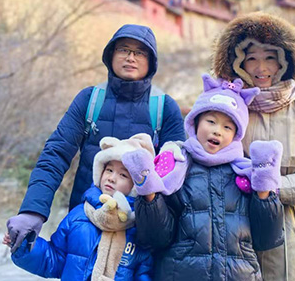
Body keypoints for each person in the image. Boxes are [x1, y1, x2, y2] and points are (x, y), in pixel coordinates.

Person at [6, 24, 185, 253]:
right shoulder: (89, 100)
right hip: (85, 224)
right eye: (123, 49)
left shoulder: (164, 107)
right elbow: (55, 154)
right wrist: (32, 211)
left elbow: (176, 176)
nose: (131, 57)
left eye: (140, 52)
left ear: (151, 62)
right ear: (111, 55)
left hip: (140, 236)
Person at [212, 11, 295, 281]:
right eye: (251, 59)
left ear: (286, 61)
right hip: (234, 240)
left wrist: (274, 186)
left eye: (270, 57)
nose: (261, 68)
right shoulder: (224, 107)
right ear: (238, 64)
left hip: (292, 245)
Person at [121, 74, 285, 281]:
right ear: (195, 123)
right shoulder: (177, 168)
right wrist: (149, 194)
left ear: (236, 135)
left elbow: (266, 239)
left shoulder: (246, 174)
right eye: (211, 121)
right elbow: (156, 238)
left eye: (227, 127)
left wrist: (265, 188)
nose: (217, 131)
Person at [4, 134, 155, 280]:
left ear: (135, 186)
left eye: (123, 175)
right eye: (109, 170)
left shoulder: (138, 226)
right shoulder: (79, 216)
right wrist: (24, 243)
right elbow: (54, 260)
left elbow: (143, 273)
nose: (111, 178)